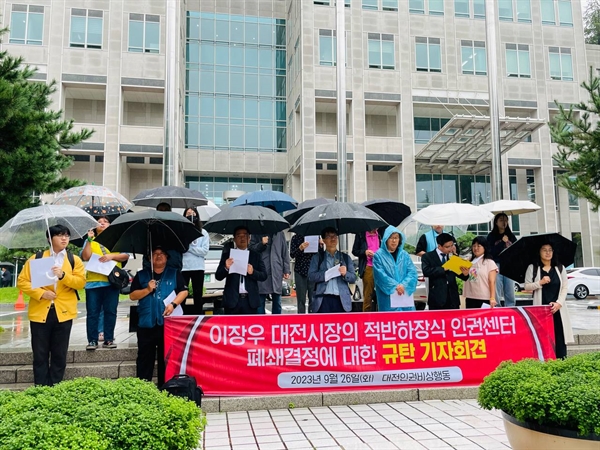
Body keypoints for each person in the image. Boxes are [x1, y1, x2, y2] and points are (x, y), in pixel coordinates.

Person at [17, 224, 86, 386]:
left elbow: (80, 283)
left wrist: (63, 275)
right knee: (40, 353)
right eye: (60, 235)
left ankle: (55, 386)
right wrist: (41, 293)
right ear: (50, 238)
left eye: (66, 236)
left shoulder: (73, 260)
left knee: (59, 353)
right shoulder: (37, 258)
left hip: (64, 312)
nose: (64, 239)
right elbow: (22, 281)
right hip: (40, 311)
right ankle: (41, 388)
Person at [129, 246, 188, 386]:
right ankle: (143, 389)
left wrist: (173, 304)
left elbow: (184, 291)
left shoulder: (174, 273)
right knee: (144, 359)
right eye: (155, 254)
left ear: (167, 257)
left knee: (166, 359)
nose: (159, 256)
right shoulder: (142, 275)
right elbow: (132, 295)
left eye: (162, 253)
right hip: (146, 323)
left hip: (167, 324)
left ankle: (165, 388)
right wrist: (147, 289)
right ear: (149, 258)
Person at [81, 216, 129, 350]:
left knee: (110, 311)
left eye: (105, 222)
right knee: (92, 313)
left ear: (110, 225)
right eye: (99, 222)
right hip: (93, 283)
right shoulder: (90, 241)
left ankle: (108, 339)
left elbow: (125, 256)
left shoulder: (117, 239)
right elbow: (85, 256)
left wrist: (111, 256)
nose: (102, 223)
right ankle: (92, 340)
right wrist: (89, 240)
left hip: (112, 282)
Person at [524, 242, 574, 359]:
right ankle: (546, 363)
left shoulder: (560, 268)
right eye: (544, 250)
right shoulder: (533, 268)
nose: (548, 252)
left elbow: (564, 287)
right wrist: (540, 282)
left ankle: (561, 362)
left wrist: (559, 303)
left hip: (557, 309)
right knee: (543, 337)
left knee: (560, 337)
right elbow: (527, 286)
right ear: (539, 252)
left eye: (550, 250)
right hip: (541, 310)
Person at [216, 226, 267, 315]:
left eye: (245, 235)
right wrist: (226, 267)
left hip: (250, 301)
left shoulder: (255, 255)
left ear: (249, 238)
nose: (242, 238)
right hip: (232, 301)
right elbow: (218, 276)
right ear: (234, 239)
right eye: (239, 236)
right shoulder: (227, 255)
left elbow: (264, 275)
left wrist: (253, 272)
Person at [308, 227, 356, 313]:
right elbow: (311, 276)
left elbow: (353, 278)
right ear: (323, 240)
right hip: (323, 299)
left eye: (335, 236)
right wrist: (326, 274)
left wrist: (345, 273)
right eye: (329, 236)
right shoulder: (317, 258)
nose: (333, 239)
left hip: (341, 300)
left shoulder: (345, 258)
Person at [250, 219, 291, 315]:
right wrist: (261, 244)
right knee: (260, 302)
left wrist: (286, 269)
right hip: (262, 271)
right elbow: (251, 249)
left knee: (277, 302)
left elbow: (284, 252)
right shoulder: (257, 232)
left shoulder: (279, 233)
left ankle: (276, 323)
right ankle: (260, 323)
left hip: (276, 270)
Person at [372, 226, 418, 312]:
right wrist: (395, 286)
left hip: (405, 297)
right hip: (388, 298)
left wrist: (403, 285)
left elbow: (412, 272)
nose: (394, 241)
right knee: (390, 318)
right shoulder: (379, 255)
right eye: (391, 238)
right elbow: (380, 276)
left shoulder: (404, 255)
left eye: (396, 238)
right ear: (386, 239)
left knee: (406, 318)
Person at [421, 232, 469, 310]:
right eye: (447, 247)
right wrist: (443, 268)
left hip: (453, 298)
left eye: (452, 245)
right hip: (437, 297)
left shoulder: (453, 256)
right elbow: (426, 271)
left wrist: (465, 274)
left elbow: (460, 274)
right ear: (439, 246)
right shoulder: (428, 256)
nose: (450, 249)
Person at [181, 207, 210, 315]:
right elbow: (181, 249)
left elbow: (204, 251)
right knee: (182, 293)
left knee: (198, 295)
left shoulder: (203, 232)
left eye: (193, 213)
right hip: (184, 267)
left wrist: (189, 248)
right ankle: (181, 316)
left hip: (198, 267)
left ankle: (198, 316)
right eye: (188, 214)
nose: (191, 216)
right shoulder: (182, 232)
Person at [487, 213, 517, 306]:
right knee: (496, 290)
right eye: (501, 220)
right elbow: (490, 252)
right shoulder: (491, 236)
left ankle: (511, 308)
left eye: (505, 220)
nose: (504, 222)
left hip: (509, 266)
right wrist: (502, 243)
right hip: (496, 265)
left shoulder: (511, 236)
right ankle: (496, 309)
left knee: (510, 291)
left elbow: (517, 250)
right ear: (496, 222)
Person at [463, 236, 498, 309]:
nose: (476, 248)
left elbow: (492, 281)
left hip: (484, 298)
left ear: (485, 247)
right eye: (474, 246)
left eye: (479, 246)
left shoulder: (489, 262)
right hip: (470, 297)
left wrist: (492, 298)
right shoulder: (468, 261)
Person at [352, 228, 382, 311]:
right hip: (368, 266)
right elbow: (354, 251)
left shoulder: (380, 234)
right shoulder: (361, 234)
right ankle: (366, 314)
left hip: (380, 267)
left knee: (381, 294)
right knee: (368, 294)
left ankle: (381, 314)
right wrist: (364, 252)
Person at [290, 233, 316, 314]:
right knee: (301, 299)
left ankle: (313, 318)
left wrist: (321, 246)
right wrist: (300, 248)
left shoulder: (315, 237)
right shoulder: (295, 238)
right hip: (300, 270)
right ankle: (301, 318)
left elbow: (320, 255)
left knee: (313, 298)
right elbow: (292, 254)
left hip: (313, 270)